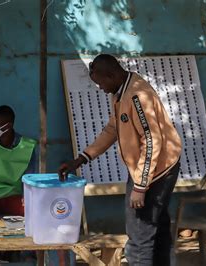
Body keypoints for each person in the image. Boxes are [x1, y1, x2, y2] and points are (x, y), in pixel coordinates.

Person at [58, 54, 182, 266]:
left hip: (156, 169)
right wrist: (82, 158)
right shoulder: (119, 92)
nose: (100, 88)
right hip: (148, 167)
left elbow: (152, 141)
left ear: (112, 75)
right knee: (158, 229)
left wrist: (141, 187)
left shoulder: (137, 96)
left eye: (100, 83)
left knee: (139, 236)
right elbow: (113, 128)